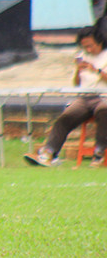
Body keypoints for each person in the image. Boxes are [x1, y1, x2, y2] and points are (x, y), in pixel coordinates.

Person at [24, 26, 107, 167]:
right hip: (85, 96)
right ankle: (48, 153)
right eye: (84, 46)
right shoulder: (83, 56)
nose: (88, 49)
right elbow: (76, 83)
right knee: (67, 116)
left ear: (99, 42)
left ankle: (99, 153)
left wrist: (96, 70)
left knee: (104, 110)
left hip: (104, 96)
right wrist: (77, 70)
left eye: (90, 46)